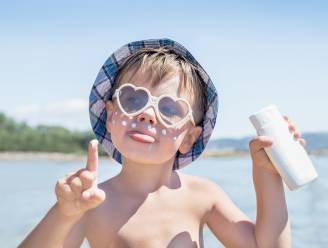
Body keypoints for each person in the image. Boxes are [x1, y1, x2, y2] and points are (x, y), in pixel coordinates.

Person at [19, 38, 305, 247]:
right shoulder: (91, 205)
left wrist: (267, 174)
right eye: (132, 99)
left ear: (189, 137)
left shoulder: (203, 196)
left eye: (169, 109)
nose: (146, 114)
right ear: (109, 115)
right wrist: (63, 213)